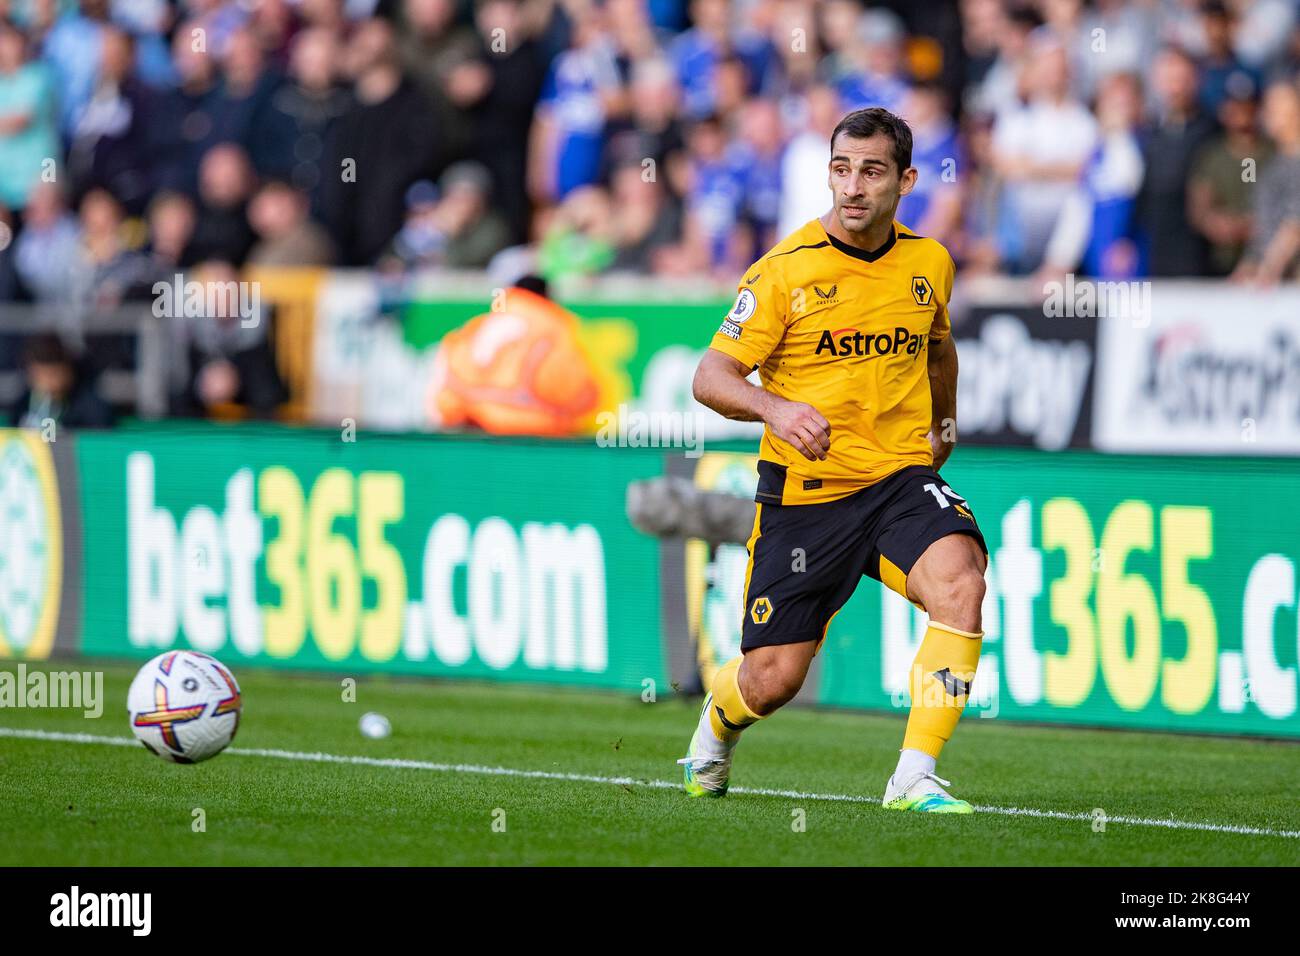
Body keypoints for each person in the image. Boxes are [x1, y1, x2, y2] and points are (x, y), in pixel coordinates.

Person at [680, 107, 988, 814]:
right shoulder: (784, 273)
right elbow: (711, 378)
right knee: (772, 680)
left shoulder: (929, 262)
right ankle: (714, 730)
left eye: (872, 171)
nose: (853, 187)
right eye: (841, 169)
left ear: (906, 179)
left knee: (961, 584)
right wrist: (777, 409)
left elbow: (939, 345)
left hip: (899, 478)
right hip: (806, 496)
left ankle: (913, 776)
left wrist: (944, 421)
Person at [7, 333, 114, 429]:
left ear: (69, 371)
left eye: (54, 375)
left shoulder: (92, 410)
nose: (49, 385)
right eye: (41, 376)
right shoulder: (21, 406)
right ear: (30, 375)